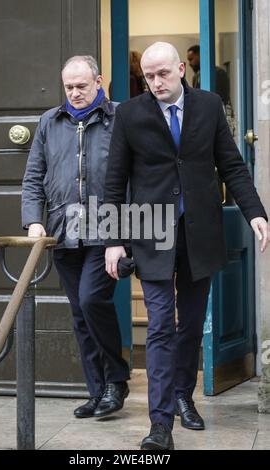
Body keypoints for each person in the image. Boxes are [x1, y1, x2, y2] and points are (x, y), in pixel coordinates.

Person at [104, 42, 269, 450]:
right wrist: (112, 240)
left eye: (162, 74)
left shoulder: (210, 106)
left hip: (201, 233)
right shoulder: (129, 114)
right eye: (148, 77)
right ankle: (160, 425)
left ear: (180, 69)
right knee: (160, 325)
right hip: (152, 234)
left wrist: (256, 213)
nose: (155, 83)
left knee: (192, 325)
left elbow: (231, 164)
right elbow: (113, 181)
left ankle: (183, 395)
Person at [21, 55, 130, 420]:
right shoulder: (49, 122)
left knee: (91, 300)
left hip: (108, 229)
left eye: (82, 85)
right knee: (79, 314)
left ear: (98, 82)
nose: (75, 93)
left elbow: (135, 174)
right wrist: (34, 220)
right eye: (68, 87)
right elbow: (34, 176)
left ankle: (116, 380)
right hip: (64, 232)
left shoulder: (120, 117)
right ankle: (98, 392)